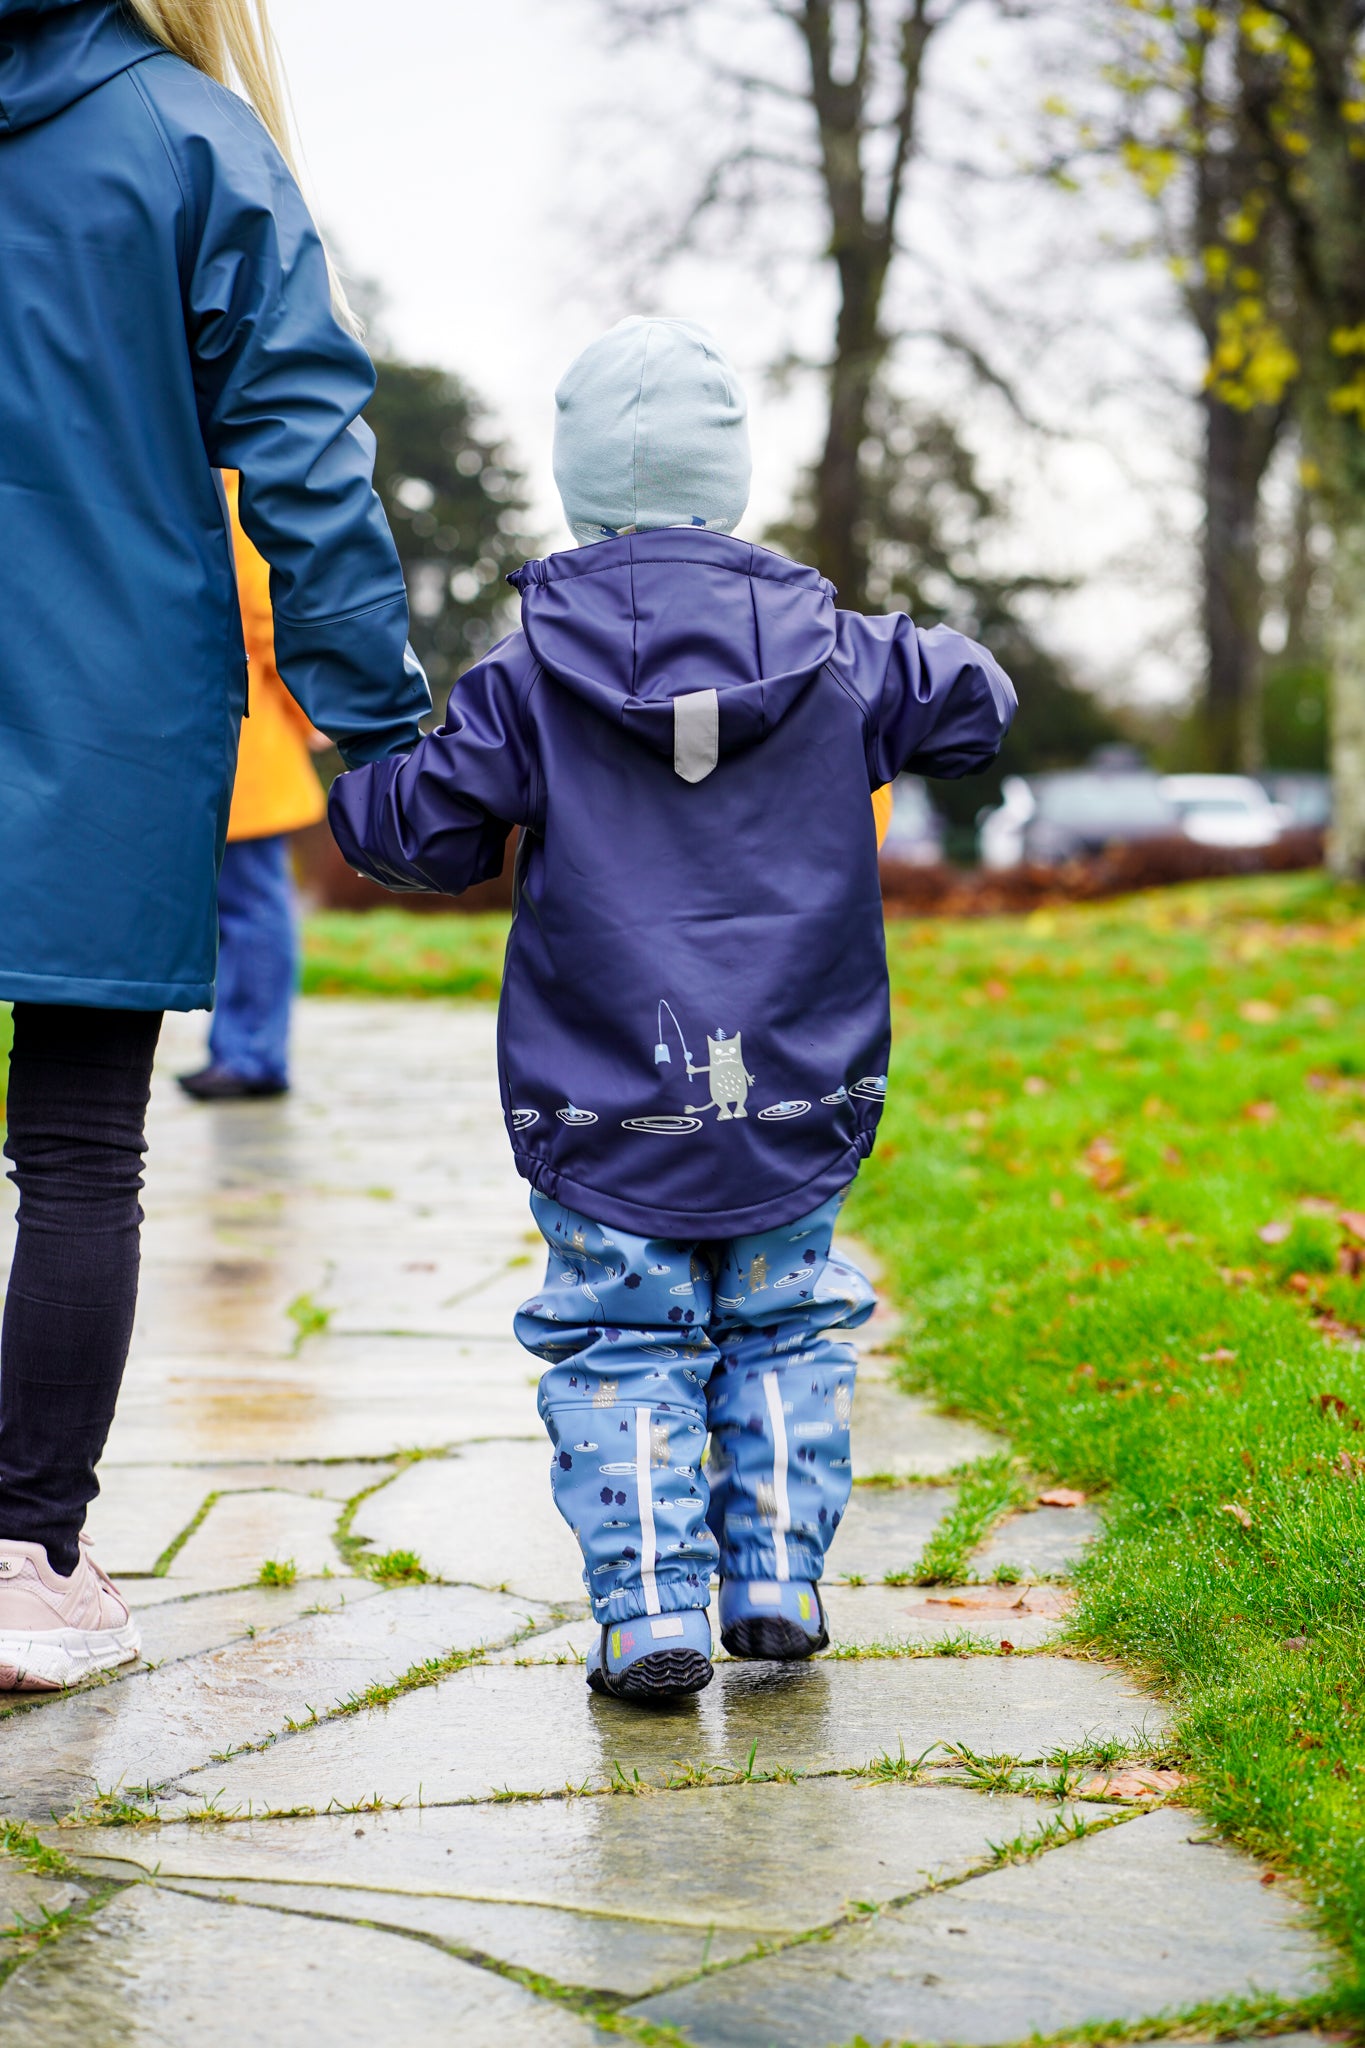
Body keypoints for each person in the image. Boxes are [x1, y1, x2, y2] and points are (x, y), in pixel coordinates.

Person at [330, 317, 1014, 1703]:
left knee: (619, 1337)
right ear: (732, 481)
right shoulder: (841, 653)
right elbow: (977, 702)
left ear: (579, 489)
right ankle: (774, 1577)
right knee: (788, 1323)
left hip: (604, 1094)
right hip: (797, 1084)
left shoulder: (529, 677)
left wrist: (359, 768)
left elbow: (425, 833)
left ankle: (648, 1608)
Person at [0, 0, 429, 1692]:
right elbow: (305, 452)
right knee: (77, 1154)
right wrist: (379, 729)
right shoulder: (190, 138)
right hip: (100, 712)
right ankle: (28, 1560)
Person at [179, 473, 327, 1102]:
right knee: (243, 907)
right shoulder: (231, 491)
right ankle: (238, 1050)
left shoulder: (226, 496)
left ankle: (253, 1057)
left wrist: (307, 715)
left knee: (251, 906)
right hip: (240, 736)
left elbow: (267, 624)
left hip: (246, 738)